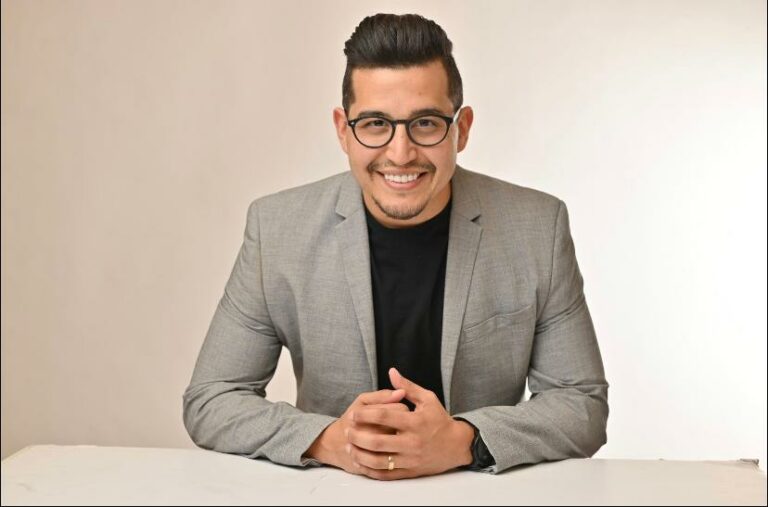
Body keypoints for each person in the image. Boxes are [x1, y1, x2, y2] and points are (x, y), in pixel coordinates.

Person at [183, 13, 608, 481]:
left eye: (425, 123)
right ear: (343, 130)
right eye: (375, 123)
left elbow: (581, 404)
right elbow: (212, 398)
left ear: (462, 128)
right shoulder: (277, 229)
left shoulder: (537, 228)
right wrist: (331, 440)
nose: (400, 153)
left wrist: (463, 441)